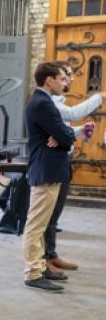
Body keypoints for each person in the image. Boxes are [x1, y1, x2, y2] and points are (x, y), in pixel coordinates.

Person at [23, 62, 76, 291]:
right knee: (36, 225)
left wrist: (63, 136)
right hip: (45, 169)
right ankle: (33, 273)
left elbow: (63, 135)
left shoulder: (43, 102)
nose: (63, 83)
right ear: (49, 80)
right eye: (61, 79)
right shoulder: (43, 103)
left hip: (49, 168)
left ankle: (41, 265)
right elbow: (66, 136)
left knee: (43, 224)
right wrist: (64, 137)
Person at [43, 62, 101, 274]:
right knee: (47, 216)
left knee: (55, 214)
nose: (70, 80)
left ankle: (51, 254)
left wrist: (73, 132)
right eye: (65, 76)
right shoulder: (48, 102)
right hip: (51, 164)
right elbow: (74, 114)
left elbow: (64, 128)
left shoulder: (56, 101)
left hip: (62, 160)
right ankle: (44, 260)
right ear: (51, 79)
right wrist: (99, 97)